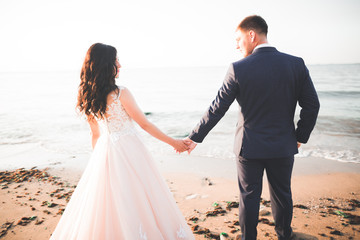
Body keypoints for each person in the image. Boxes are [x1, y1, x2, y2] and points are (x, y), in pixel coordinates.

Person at [185, 15, 320, 240]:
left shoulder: (238, 68)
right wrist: (299, 136)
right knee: (282, 195)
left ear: (251, 35)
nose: (236, 45)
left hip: (249, 147)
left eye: (238, 39)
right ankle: (285, 236)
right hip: (283, 146)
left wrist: (195, 137)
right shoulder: (296, 64)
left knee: (248, 197)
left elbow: (217, 108)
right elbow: (312, 105)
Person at [50, 43, 195, 240]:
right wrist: (173, 142)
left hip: (104, 152)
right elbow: (144, 124)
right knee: (138, 198)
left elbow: (95, 135)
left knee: (109, 203)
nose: (120, 65)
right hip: (129, 151)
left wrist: (98, 163)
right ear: (106, 65)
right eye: (116, 60)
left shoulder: (88, 96)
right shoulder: (120, 93)